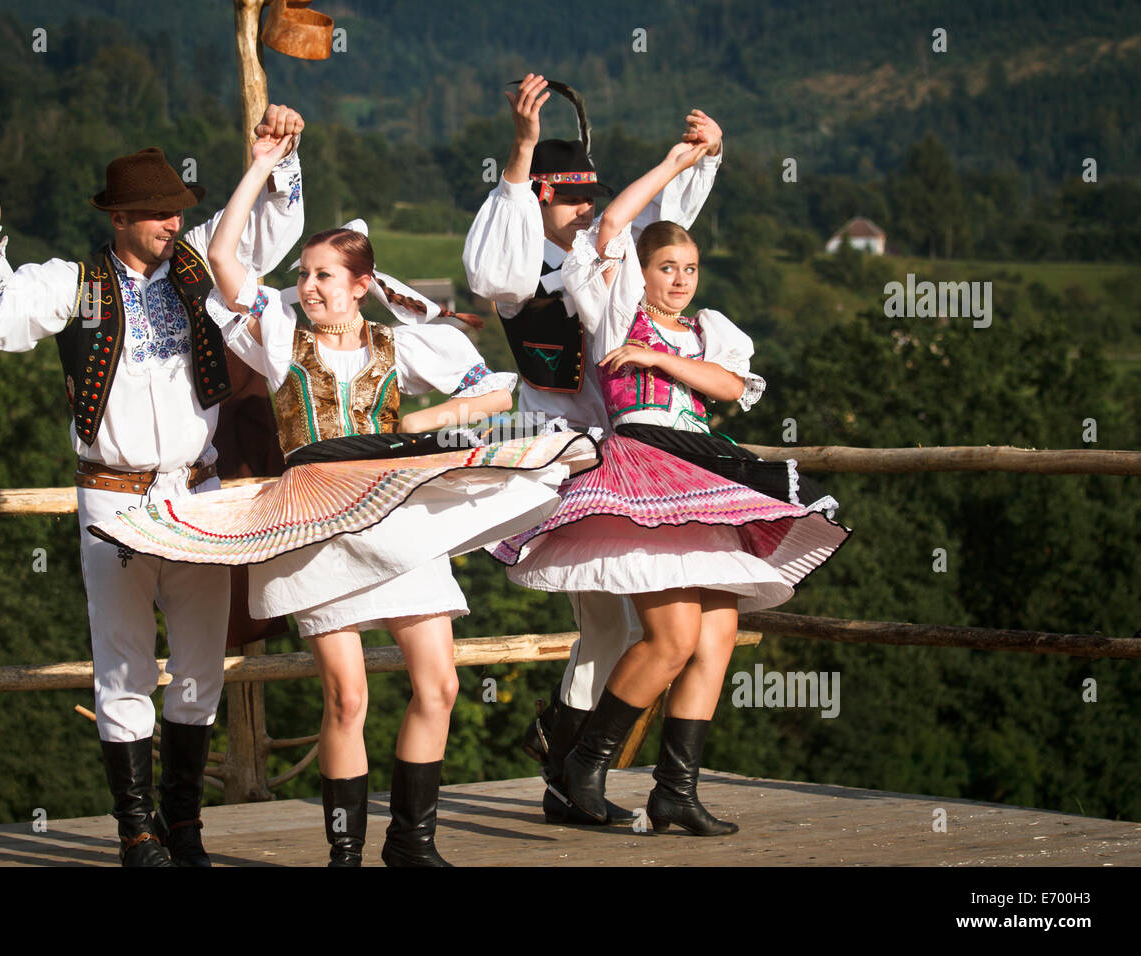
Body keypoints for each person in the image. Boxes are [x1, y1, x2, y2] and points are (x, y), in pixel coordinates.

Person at [90, 139, 598, 865]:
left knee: (441, 683)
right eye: (306, 274)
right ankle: (345, 855)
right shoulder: (281, 336)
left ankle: (411, 844)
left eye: (325, 275)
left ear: (361, 284)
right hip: (315, 520)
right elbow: (228, 260)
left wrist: (419, 423)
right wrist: (263, 165)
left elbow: (492, 386)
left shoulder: (398, 347)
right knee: (348, 696)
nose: (313, 286)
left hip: (395, 510)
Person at [0, 105, 306, 866]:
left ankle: (185, 828)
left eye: (177, 209)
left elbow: (268, 233)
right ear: (118, 218)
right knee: (120, 665)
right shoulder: (74, 285)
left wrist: (279, 157)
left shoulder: (197, 268)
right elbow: (0, 323)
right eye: (156, 213)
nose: (171, 222)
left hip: (199, 493)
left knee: (199, 667)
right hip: (112, 497)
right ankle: (137, 832)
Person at [491, 134, 850, 835]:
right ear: (641, 272)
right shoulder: (610, 312)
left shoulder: (703, 331)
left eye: (689, 267)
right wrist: (676, 163)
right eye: (667, 267)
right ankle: (581, 768)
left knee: (715, 635)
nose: (680, 279)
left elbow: (727, 383)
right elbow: (615, 225)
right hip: (643, 464)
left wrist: (664, 358)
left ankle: (674, 789)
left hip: (702, 466)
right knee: (670, 637)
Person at [463, 74, 724, 825]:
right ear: (541, 195)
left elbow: (654, 230)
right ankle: (567, 769)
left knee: (620, 628)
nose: (587, 211)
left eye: (591, 199)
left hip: (623, 455)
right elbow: (489, 269)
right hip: (563, 455)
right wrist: (517, 152)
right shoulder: (519, 271)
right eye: (573, 199)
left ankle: (568, 764)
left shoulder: (606, 261)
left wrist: (699, 157)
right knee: (610, 625)